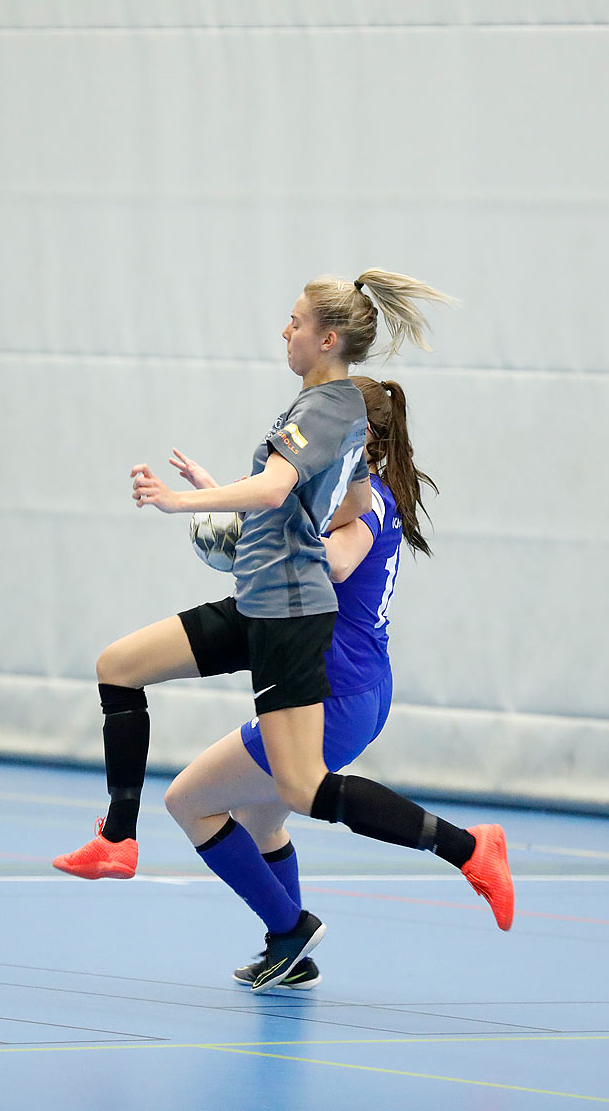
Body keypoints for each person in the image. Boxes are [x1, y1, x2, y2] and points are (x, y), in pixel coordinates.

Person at [52, 272, 514, 991]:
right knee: (144, 690)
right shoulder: (340, 461)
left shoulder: (356, 487)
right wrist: (231, 507)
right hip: (290, 629)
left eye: (294, 320)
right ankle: (266, 925)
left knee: (233, 796)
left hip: (330, 673)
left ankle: (462, 849)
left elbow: (321, 549)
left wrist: (189, 503)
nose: (284, 330)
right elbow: (286, 507)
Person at [161, 375, 427, 990]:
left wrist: (253, 522)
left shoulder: (367, 505)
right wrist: (231, 503)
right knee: (261, 817)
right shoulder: (348, 497)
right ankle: (290, 951)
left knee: (188, 802)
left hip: (332, 692)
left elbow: (336, 560)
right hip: (352, 685)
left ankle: (291, 928)